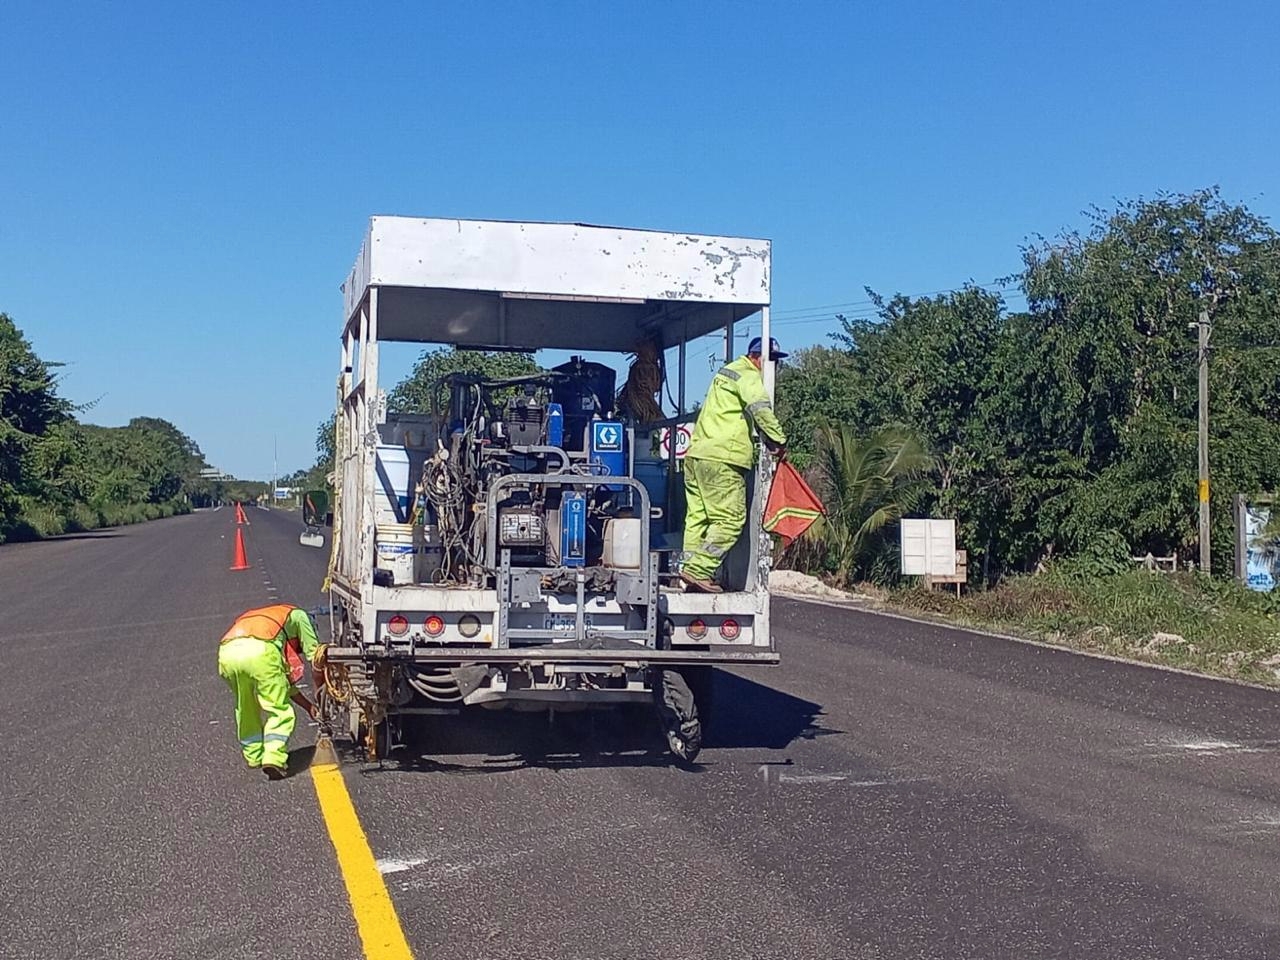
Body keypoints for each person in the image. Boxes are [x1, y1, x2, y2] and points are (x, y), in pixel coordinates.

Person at [680, 336, 788, 593]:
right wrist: (779, 440)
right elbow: (760, 408)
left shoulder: (725, 374)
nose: (773, 367)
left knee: (698, 518)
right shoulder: (748, 375)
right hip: (723, 459)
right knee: (730, 520)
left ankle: (686, 571)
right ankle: (699, 570)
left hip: (697, 455)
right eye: (772, 361)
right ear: (757, 358)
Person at [217, 603, 322, 779]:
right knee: (278, 710)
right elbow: (316, 657)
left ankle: (254, 755)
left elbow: (285, 685)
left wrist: (308, 706)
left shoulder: (265, 616)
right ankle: (274, 757)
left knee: (246, 707)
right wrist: (321, 695)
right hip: (261, 652)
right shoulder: (299, 615)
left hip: (227, 654)